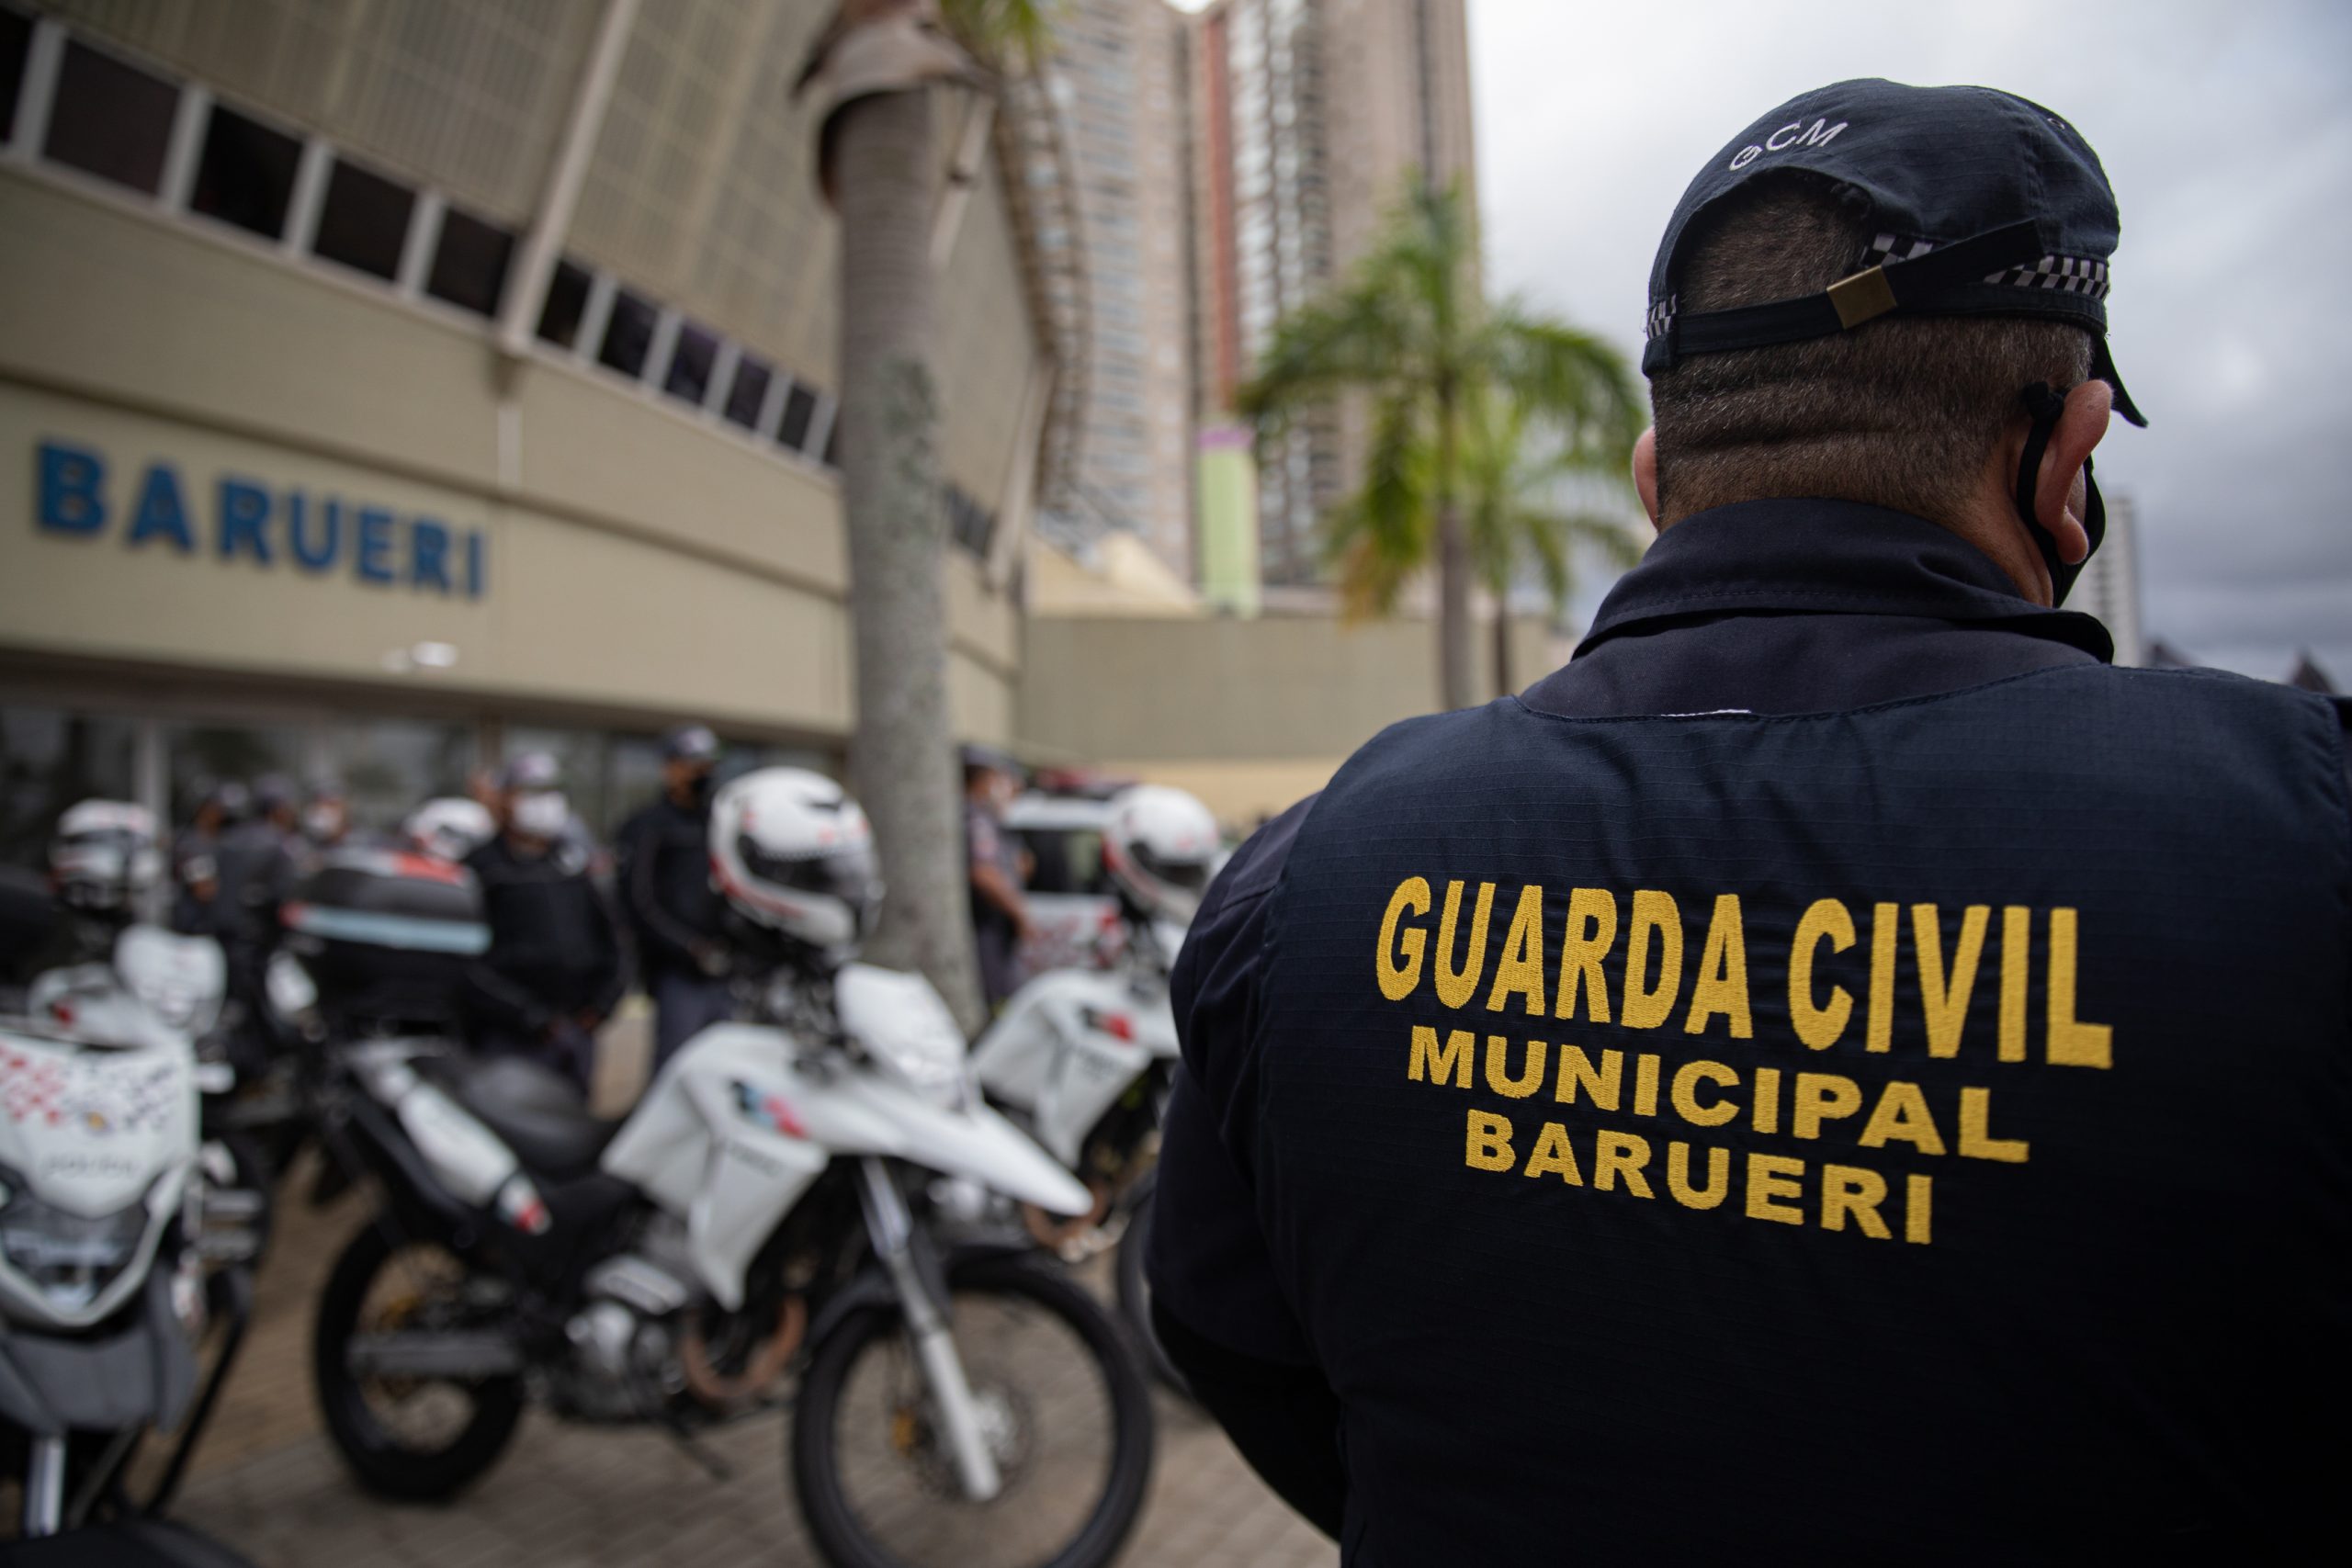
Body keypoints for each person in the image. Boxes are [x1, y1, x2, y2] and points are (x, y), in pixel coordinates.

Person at [1148, 79, 2352, 1562]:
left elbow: (1224, 1328)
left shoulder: (1304, 883)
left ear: (1660, 479)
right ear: (2064, 457)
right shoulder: (2298, 846)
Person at [459, 752, 626, 1097]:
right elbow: (465, 962)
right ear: (504, 799)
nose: (545, 803)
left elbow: (612, 938)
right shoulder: (480, 868)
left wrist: (603, 1003)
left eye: (551, 791)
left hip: (578, 1031)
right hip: (510, 1036)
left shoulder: (572, 862)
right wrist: (528, 1016)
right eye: (531, 792)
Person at [616, 724, 734, 1065]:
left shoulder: (721, 824)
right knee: (677, 1063)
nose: (702, 774)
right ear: (671, 768)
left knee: (725, 1064)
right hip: (676, 971)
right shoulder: (647, 826)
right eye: (693, 764)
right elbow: (638, 902)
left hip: (727, 972)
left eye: (708, 765)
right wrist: (687, 947)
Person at [962, 745, 1031, 1010]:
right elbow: (984, 874)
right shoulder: (976, 819)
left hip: (994, 928)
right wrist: (1019, 912)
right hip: (987, 926)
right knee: (1000, 1000)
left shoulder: (989, 817)